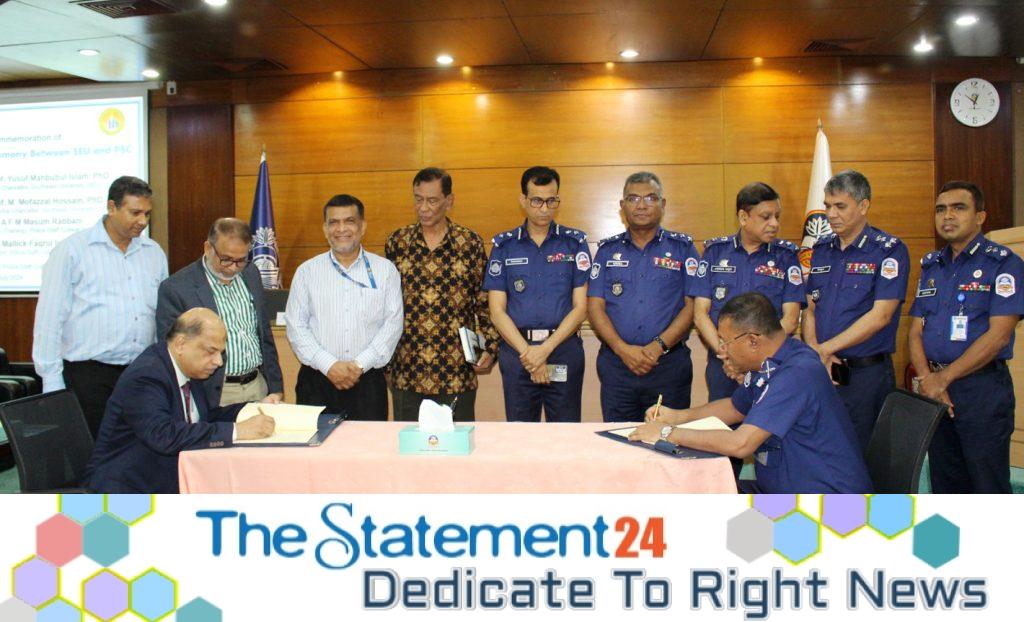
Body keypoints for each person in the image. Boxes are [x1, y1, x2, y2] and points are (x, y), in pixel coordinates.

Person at [628, 292, 872, 493]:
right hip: (779, 487)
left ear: (752, 341)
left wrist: (668, 433)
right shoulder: (773, 361)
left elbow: (740, 444)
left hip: (827, 504)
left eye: (726, 342)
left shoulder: (797, 372)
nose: (723, 350)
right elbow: (735, 408)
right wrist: (678, 416)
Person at [909, 181, 1024, 493]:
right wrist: (928, 380)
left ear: (980, 217)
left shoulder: (1003, 263)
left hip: (981, 390)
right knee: (945, 485)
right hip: (935, 391)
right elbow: (915, 331)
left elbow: (999, 336)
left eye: (958, 208)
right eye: (941, 209)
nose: (947, 215)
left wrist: (942, 379)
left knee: (987, 486)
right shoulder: (931, 266)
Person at [33, 176, 168, 438]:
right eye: (135, 212)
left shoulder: (153, 253)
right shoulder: (72, 251)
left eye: (147, 213)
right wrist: (51, 382)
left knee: (137, 448)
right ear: (112, 207)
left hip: (139, 372)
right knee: (93, 450)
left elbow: (160, 316)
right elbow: (49, 320)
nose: (143, 221)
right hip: (88, 376)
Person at [85, 308, 275, 493]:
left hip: (169, 480)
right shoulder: (147, 375)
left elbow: (205, 418)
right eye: (211, 351)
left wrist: (252, 408)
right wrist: (238, 431)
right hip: (127, 491)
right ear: (180, 344)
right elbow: (164, 435)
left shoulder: (187, 367)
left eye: (220, 353)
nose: (218, 361)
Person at [693, 182, 805, 477]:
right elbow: (700, 314)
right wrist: (728, 355)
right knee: (722, 440)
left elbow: (790, 319)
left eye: (777, 216)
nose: (774, 224)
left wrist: (754, 359)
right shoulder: (715, 252)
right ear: (743, 217)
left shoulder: (786, 256)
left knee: (767, 441)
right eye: (766, 217)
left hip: (769, 369)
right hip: (723, 366)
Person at [802, 169, 910, 452]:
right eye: (827, 206)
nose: (831, 214)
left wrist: (825, 349)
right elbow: (810, 308)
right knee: (826, 451)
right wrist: (815, 351)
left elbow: (881, 316)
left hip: (866, 376)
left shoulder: (888, 250)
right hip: (825, 371)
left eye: (840, 206)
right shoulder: (821, 249)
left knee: (866, 456)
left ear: (863, 206)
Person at [385, 167, 499, 422]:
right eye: (418, 199)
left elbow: (485, 302)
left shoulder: (469, 243)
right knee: (410, 443)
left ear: (449, 201)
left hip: (456, 371)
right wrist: (386, 363)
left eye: (432, 200)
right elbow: (385, 307)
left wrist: (490, 348)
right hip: (407, 369)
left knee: (457, 443)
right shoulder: (398, 243)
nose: (423, 208)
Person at [588, 171, 699, 422]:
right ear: (622, 205)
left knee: (667, 437)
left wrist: (658, 346)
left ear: (663, 204)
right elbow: (595, 307)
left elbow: (693, 306)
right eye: (633, 198)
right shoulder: (606, 251)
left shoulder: (683, 249)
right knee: (618, 437)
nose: (641, 205)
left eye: (650, 198)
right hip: (617, 367)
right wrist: (622, 350)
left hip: (668, 367)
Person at [484, 166, 590, 422]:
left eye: (551, 201)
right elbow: (496, 311)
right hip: (517, 352)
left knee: (565, 433)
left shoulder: (574, 243)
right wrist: (529, 354)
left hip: (562, 350)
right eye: (536, 200)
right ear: (523, 200)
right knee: (521, 434)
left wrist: (544, 350)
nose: (544, 208)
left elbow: (581, 308)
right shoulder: (504, 246)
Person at [287, 194, 403, 420]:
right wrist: (329, 365)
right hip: (317, 380)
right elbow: (296, 326)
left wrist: (359, 365)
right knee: (316, 444)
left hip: (367, 382)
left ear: (362, 227)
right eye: (334, 222)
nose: (341, 229)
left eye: (349, 221)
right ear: (325, 229)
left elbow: (392, 325)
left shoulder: (385, 270)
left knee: (367, 443)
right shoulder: (307, 272)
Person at [156, 218, 283, 407]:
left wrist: (276, 387)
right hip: (213, 393)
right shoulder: (177, 288)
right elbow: (172, 351)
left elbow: (264, 334)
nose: (233, 267)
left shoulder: (251, 273)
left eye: (241, 260)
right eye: (226, 259)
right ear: (208, 248)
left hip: (258, 387)